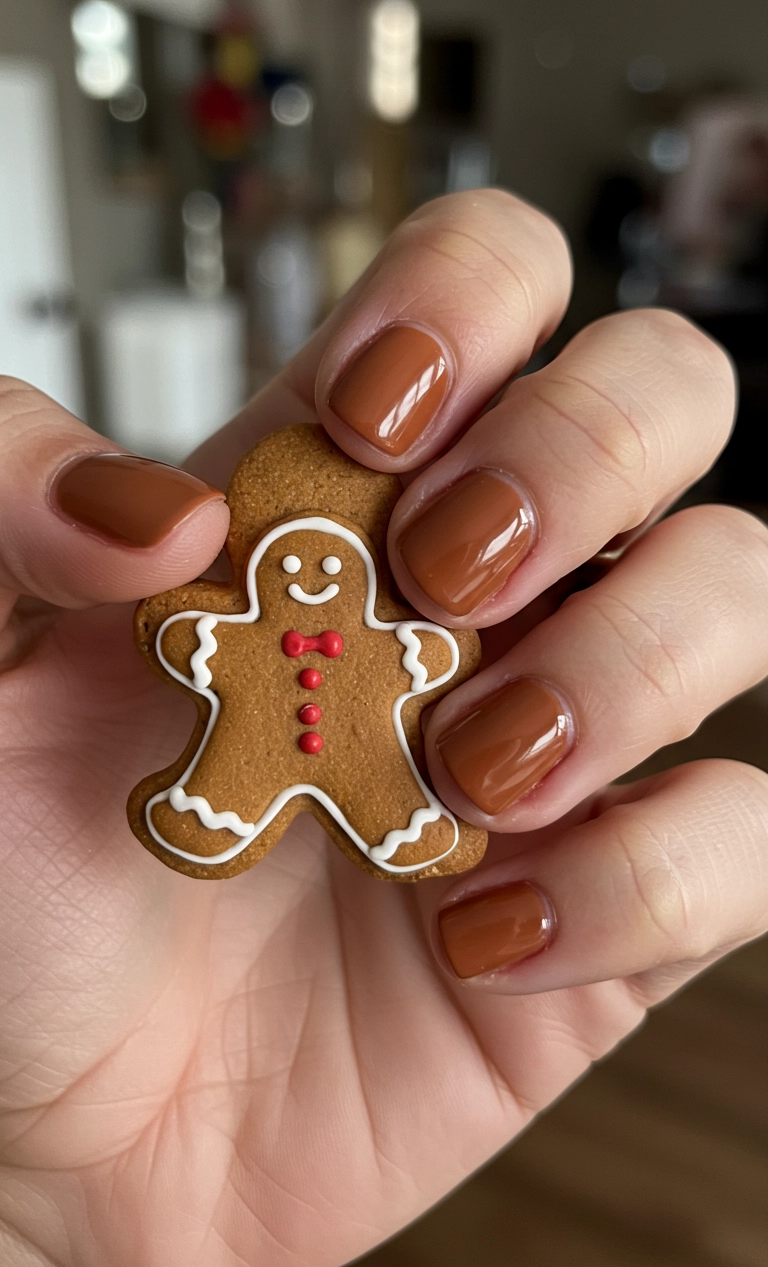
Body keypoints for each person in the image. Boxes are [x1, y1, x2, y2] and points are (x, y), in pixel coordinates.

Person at [0, 190, 766, 1266]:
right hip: (247, 751)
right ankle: (222, 811)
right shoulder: (220, 615)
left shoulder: (395, 633)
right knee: (232, 781)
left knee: (388, 789)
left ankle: (392, 822)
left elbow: (423, 652)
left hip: (370, 760)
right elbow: (193, 636)